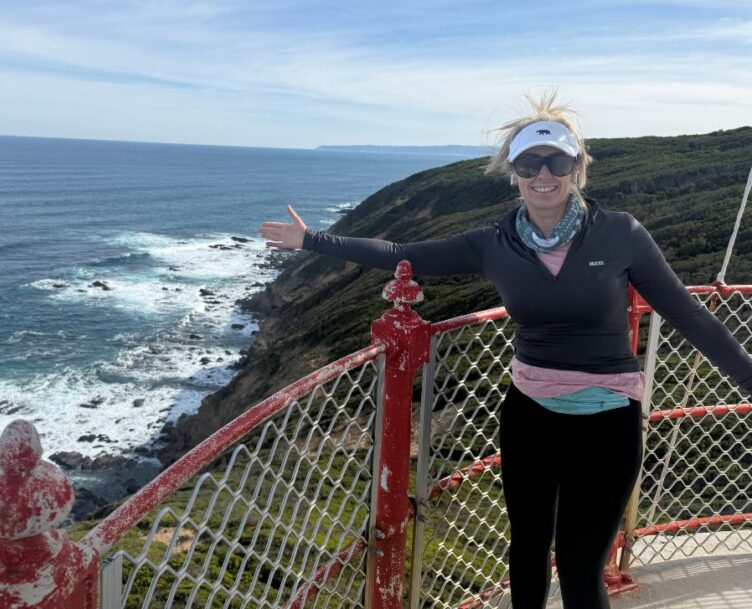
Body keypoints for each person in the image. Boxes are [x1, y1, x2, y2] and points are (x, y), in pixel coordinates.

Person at [258, 92, 752, 609]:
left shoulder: (619, 233)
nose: (544, 173)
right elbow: (404, 255)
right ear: (513, 172)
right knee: (528, 550)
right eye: (529, 163)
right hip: (529, 414)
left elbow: (687, 314)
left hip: (608, 418)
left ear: (577, 166)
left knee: (583, 567)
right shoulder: (493, 243)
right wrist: (311, 240)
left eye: (557, 160)